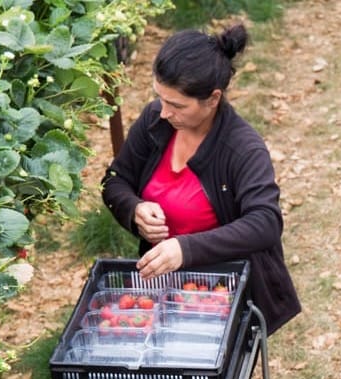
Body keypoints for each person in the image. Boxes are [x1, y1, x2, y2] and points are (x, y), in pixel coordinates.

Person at [102, 25, 301, 336]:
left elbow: (265, 223)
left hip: (223, 287)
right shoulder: (156, 121)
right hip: (162, 284)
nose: (164, 112)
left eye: (177, 105)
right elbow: (116, 180)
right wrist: (134, 209)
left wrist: (186, 249)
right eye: (161, 98)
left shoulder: (242, 149)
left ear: (212, 99)